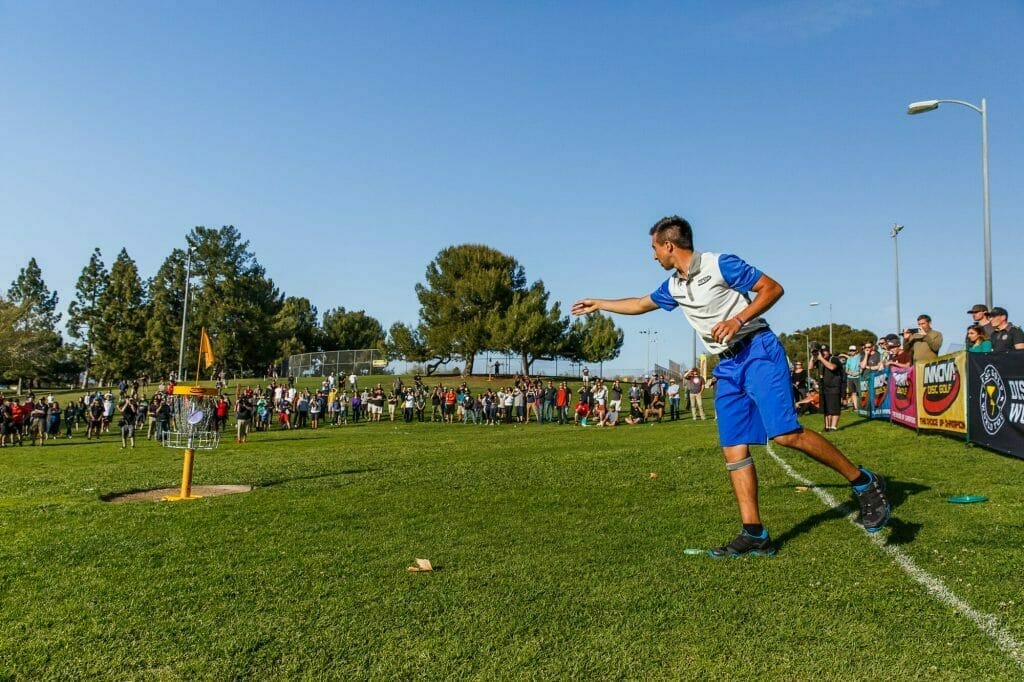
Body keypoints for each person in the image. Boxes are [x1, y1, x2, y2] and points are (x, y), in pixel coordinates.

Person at [572, 215, 890, 557]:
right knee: (734, 448)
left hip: (758, 350)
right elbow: (640, 303)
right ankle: (754, 533)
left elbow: (773, 288)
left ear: (669, 245)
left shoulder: (719, 264)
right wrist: (600, 304)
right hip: (728, 365)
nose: (653, 257)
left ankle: (864, 483)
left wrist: (738, 318)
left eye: (654, 249)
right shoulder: (675, 286)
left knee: (784, 434)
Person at [809, 345, 844, 432]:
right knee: (826, 408)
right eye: (822, 351)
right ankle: (827, 426)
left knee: (834, 408)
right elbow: (810, 367)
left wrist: (821, 359)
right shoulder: (820, 360)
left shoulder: (834, 359)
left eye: (825, 351)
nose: (823, 353)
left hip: (834, 387)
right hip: (824, 388)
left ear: (828, 351)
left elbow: (832, 367)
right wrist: (813, 356)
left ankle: (833, 427)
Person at [844, 345, 862, 411]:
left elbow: (862, 367)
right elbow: (846, 369)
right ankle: (856, 407)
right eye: (850, 350)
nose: (851, 352)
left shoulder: (860, 357)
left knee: (860, 392)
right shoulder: (849, 359)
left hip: (858, 377)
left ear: (856, 351)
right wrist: (850, 373)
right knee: (853, 392)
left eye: (853, 350)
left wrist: (858, 373)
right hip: (850, 377)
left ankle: (861, 406)